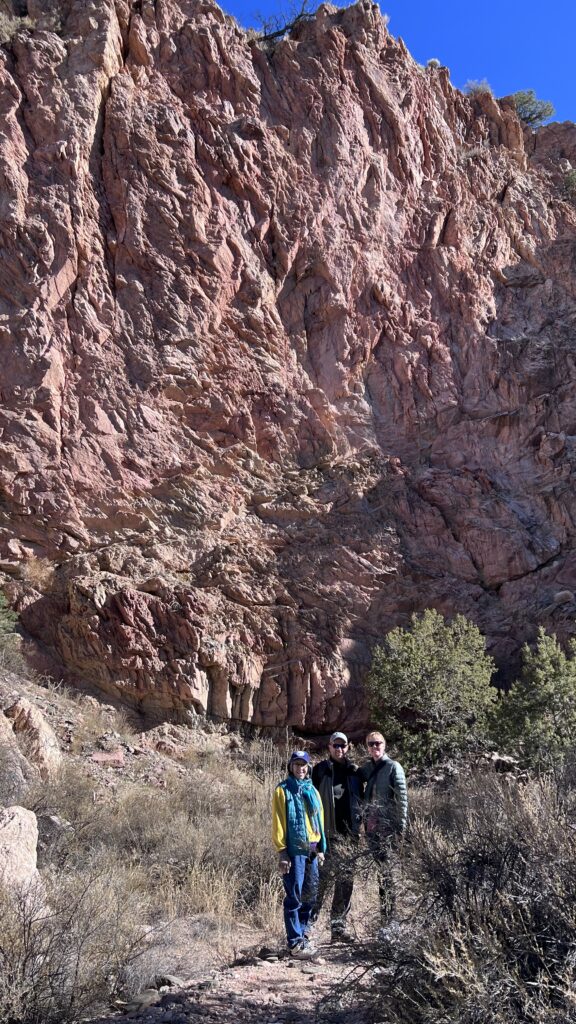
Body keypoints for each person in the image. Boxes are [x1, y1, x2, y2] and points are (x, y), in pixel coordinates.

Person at [272, 750, 327, 958]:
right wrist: (282, 851)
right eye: (296, 764)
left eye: (303, 764)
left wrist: (321, 848)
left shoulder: (312, 790)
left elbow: (319, 820)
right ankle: (294, 943)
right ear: (290, 767)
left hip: (312, 849)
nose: (300, 768)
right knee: (294, 896)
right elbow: (278, 822)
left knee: (310, 895)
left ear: (308, 767)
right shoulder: (282, 790)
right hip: (294, 850)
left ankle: (303, 935)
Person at [311, 731, 362, 942]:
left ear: (348, 747)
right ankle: (307, 927)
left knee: (345, 883)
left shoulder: (354, 772)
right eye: (335, 745)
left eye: (342, 745)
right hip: (325, 835)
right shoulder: (320, 770)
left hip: (349, 835)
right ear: (329, 747)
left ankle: (338, 930)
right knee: (319, 881)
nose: (339, 749)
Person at [359, 731, 408, 935]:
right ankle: (385, 919)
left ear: (384, 745)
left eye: (378, 743)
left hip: (387, 830)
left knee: (387, 875)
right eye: (371, 744)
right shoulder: (368, 768)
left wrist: (400, 828)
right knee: (381, 874)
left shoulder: (393, 767)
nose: (375, 747)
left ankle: (391, 920)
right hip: (371, 829)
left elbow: (402, 798)